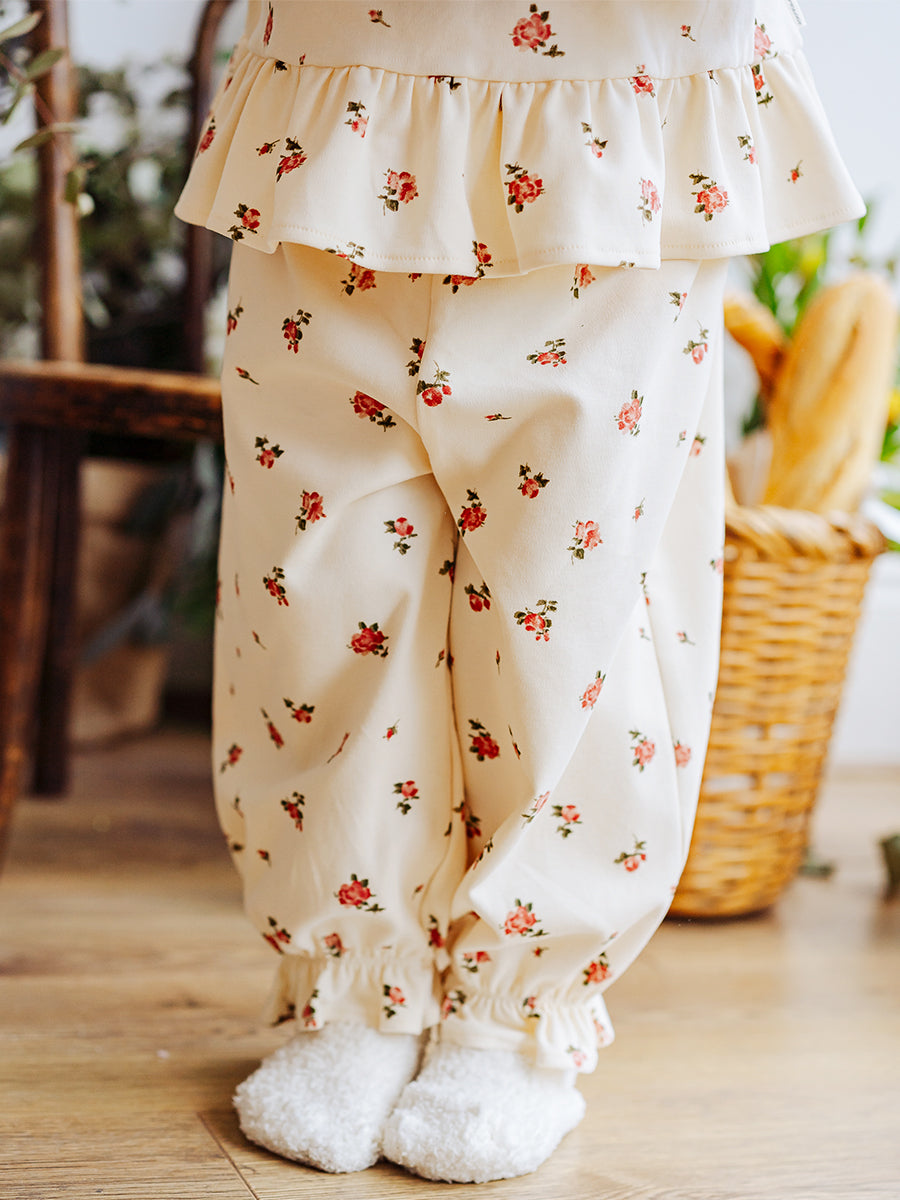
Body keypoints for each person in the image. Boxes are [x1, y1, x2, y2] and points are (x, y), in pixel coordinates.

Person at [176, 0, 861, 1183]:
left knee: (576, 597)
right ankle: (359, 987)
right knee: (322, 581)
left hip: (619, 94)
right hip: (338, 90)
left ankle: (511, 1020)